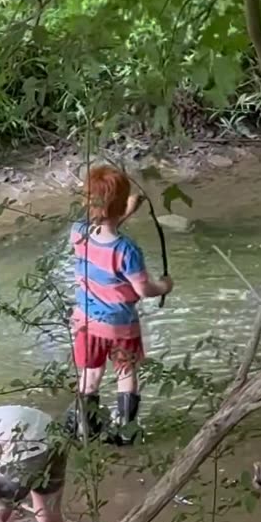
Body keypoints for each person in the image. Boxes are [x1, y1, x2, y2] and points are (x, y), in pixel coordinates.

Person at [68, 165, 174, 445]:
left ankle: (84, 430)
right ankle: (124, 433)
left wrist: (125, 212)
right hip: (119, 326)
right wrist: (164, 286)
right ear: (119, 204)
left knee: (90, 376)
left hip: (86, 322)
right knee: (125, 373)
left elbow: (101, 230)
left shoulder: (78, 233)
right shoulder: (127, 250)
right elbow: (144, 289)